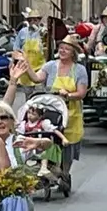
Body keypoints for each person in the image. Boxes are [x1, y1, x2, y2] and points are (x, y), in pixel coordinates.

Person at [21, 35, 88, 195]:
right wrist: (26, 65)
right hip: (51, 112)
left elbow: (82, 93)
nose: (63, 50)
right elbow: (37, 78)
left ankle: (64, 173)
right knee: (47, 138)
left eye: (67, 48)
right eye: (61, 47)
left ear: (73, 52)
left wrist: (68, 95)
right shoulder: (51, 66)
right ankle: (47, 168)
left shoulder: (79, 69)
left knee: (67, 147)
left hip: (71, 113)